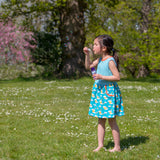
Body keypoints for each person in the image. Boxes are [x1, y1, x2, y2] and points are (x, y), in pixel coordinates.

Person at [83, 35, 124, 152]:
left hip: (109, 93)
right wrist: (87, 55)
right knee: (100, 119)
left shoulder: (110, 61)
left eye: (96, 44)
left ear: (104, 48)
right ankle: (100, 145)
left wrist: (101, 76)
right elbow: (88, 66)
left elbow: (117, 77)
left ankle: (117, 147)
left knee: (111, 120)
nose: (93, 47)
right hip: (100, 93)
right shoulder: (100, 60)